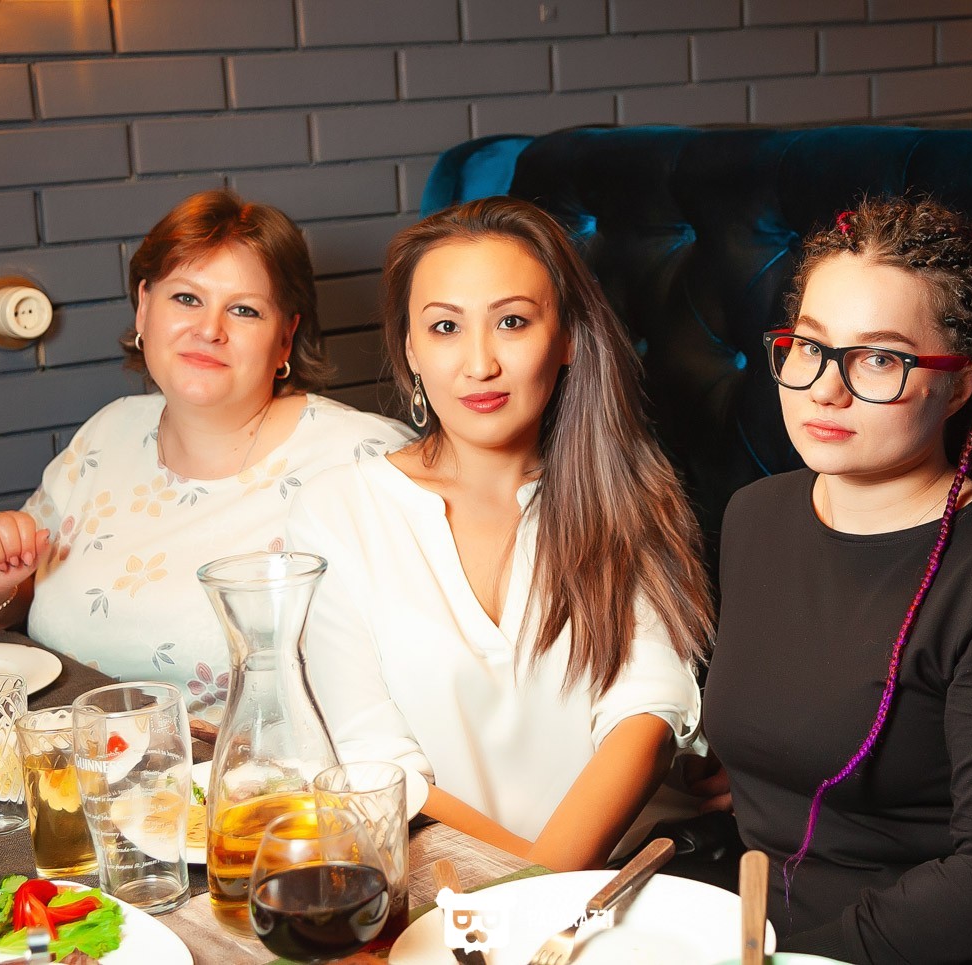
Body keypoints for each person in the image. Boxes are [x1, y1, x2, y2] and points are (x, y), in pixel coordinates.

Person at [704, 197, 972, 963]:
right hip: (750, 930)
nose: (825, 389)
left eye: (879, 359)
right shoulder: (754, 515)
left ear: (961, 385)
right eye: (810, 346)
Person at [284, 197, 713, 871]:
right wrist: (530, 894)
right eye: (445, 326)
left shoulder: (625, 493)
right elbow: (380, 769)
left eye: (512, 321)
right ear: (411, 349)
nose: (479, 363)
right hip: (448, 886)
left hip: (637, 880)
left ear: (567, 339)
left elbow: (645, 717)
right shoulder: (335, 512)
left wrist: (544, 893)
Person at [0, 190, 413, 720]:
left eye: (244, 310)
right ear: (144, 306)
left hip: (238, 771)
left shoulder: (366, 460)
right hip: (59, 758)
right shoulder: (108, 433)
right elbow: (10, 610)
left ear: (285, 338)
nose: (210, 329)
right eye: (187, 298)